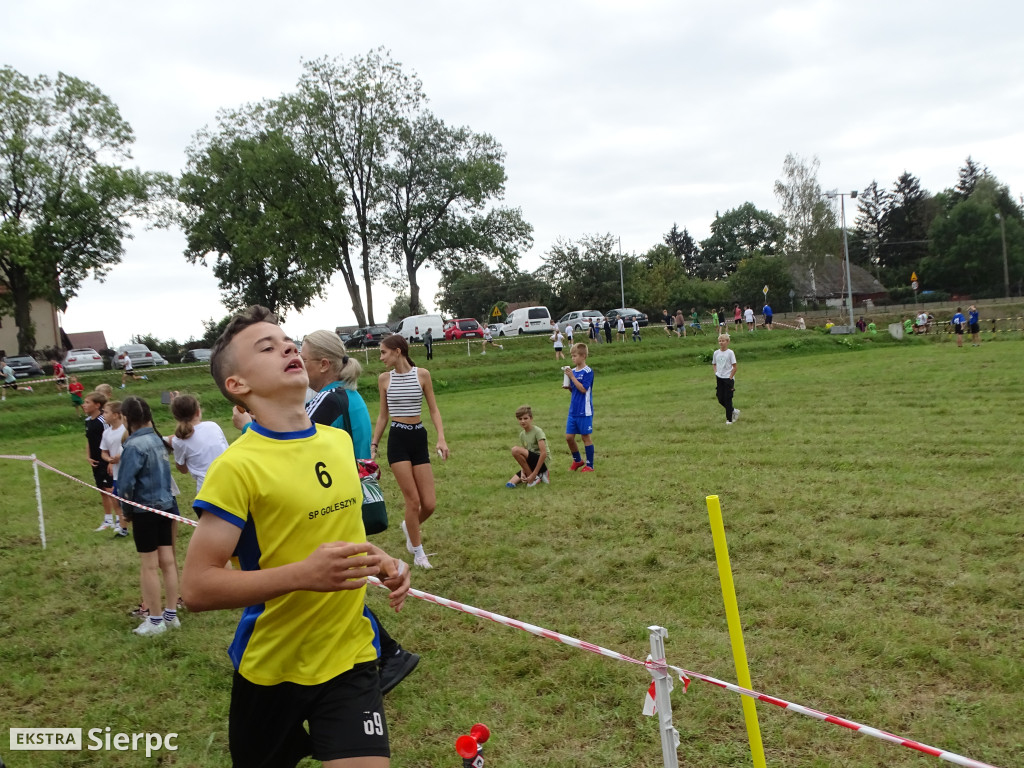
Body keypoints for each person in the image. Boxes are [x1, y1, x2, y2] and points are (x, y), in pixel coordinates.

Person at [181, 305, 410, 767]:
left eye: (287, 340)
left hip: (351, 656)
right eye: (266, 347)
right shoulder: (236, 468)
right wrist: (304, 575)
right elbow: (197, 587)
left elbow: (335, 531)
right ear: (238, 386)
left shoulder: (337, 443)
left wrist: (380, 557)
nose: (286, 347)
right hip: (272, 670)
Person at [301, 329, 420, 696]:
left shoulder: (329, 399)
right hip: (344, 493)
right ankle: (382, 654)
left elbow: (297, 441)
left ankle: (389, 653)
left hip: (333, 499)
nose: (297, 364)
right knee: (339, 584)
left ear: (323, 364)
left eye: (302, 358)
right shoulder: (347, 396)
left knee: (338, 585)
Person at [372, 334, 449, 570]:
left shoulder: (422, 375)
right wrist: (374, 444)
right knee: (413, 501)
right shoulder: (384, 379)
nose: (381, 357)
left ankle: (409, 525)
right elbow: (383, 415)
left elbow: (434, 410)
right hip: (398, 439)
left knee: (430, 503)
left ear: (398, 351)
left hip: (418, 436)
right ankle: (418, 553)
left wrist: (441, 438)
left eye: (384, 352)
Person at [118, 396, 182, 637]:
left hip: (145, 510)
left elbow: (124, 486)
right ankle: (170, 614)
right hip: (166, 507)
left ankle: (155, 621)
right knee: (167, 561)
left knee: (149, 566)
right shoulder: (157, 439)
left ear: (126, 418)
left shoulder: (133, 446)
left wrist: (126, 512)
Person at [169, 393, 230, 493]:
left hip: (206, 490)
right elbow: (227, 451)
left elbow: (183, 470)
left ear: (176, 417)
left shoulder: (178, 441)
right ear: (198, 412)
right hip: (230, 481)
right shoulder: (213, 426)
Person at [82, 391, 120, 532]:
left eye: (87, 402)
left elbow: (111, 440)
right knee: (102, 490)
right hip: (96, 461)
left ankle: (119, 519)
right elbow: (89, 440)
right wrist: (88, 456)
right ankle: (108, 519)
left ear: (97, 405)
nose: (83, 405)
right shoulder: (88, 421)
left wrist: (110, 461)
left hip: (106, 460)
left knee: (111, 490)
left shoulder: (103, 421)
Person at [562, 342, 595, 472]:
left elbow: (583, 389)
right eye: (572, 356)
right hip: (573, 410)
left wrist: (572, 377)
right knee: (569, 437)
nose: (573, 358)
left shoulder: (588, 371)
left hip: (584, 410)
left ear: (583, 356)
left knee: (585, 437)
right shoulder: (573, 371)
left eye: (575, 356)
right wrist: (569, 387)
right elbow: (576, 390)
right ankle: (577, 460)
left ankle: (590, 465)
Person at [100, 400, 130, 537]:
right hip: (116, 473)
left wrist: (120, 456)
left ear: (116, 415)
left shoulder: (126, 430)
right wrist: (109, 460)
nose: (103, 415)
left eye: (106, 412)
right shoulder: (106, 433)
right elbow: (104, 452)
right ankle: (122, 527)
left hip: (129, 471)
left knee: (133, 501)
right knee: (117, 500)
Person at [506, 405, 549, 488]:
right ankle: (533, 477)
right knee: (510, 484)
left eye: (525, 418)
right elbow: (524, 455)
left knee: (515, 450)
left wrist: (533, 474)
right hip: (531, 462)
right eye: (520, 419)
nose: (523, 421)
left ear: (531, 418)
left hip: (542, 462)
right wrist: (523, 471)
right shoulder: (522, 435)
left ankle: (535, 477)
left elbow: (544, 453)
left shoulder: (538, 431)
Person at [712, 333, 740, 425]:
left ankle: (729, 420)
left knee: (728, 399)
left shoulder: (730, 353)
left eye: (723, 341)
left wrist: (730, 377)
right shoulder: (716, 353)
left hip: (728, 378)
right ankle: (733, 410)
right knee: (720, 398)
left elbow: (735, 367)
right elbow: (714, 364)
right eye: (720, 341)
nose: (721, 343)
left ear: (727, 342)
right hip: (719, 378)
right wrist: (716, 372)